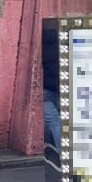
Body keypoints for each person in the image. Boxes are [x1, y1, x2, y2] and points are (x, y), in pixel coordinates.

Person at [41, 27, 61, 169]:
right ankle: (51, 148)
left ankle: (63, 152)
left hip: (44, 89)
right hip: (58, 88)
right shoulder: (59, 49)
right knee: (52, 120)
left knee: (52, 120)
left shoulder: (40, 49)